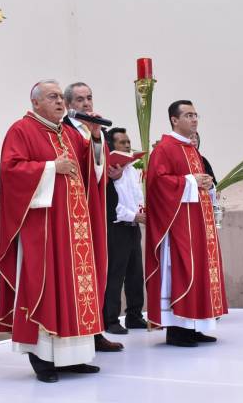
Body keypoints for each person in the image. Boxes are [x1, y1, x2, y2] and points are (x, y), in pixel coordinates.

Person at [0, 80, 107, 383]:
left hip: (75, 231)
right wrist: (48, 168)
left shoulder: (71, 133)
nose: (60, 102)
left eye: (61, 97)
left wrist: (96, 139)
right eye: (53, 97)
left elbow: (90, 170)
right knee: (45, 289)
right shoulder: (21, 130)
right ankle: (43, 360)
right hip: (44, 230)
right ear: (35, 103)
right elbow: (11, 170)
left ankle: (76, 357)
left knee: (74, 290)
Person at [145, 100, 228, 348]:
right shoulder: (165, 148)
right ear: (174, 120)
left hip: (199, 225)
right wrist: (191, 181)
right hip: (179, 226)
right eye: (188, 115)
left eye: (195, 115)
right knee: (181, 272)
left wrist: (206, 184)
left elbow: (197, 182)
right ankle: (178, 330)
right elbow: (158, 183)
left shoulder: (191, 149)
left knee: (200, 271)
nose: (194, 120)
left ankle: (196, 325)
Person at [63, 81, 124, 351]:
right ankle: (80, 332)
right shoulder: (63, 131)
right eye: (79, 100)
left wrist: (98, 136)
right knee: (77, 274)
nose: (87, 104)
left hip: (94, 211)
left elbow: (98, 172)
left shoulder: (93, 132)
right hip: (71, 214)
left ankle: (96, 330)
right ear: (68, 105)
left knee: (98, 269)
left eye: (89, 98)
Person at [103, 127, 147, 334]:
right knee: (115, 274)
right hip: (117, 227)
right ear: (111, 146)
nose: (128, 145)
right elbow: (112, 204)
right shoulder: (108, 170)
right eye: (122, 142)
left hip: (133, 227)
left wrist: (142, 213)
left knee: (135, 273)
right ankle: (111, 320)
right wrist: (134, 216)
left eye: (128, 141)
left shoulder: (131, 168)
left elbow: (135, 197)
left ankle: (134, 316)